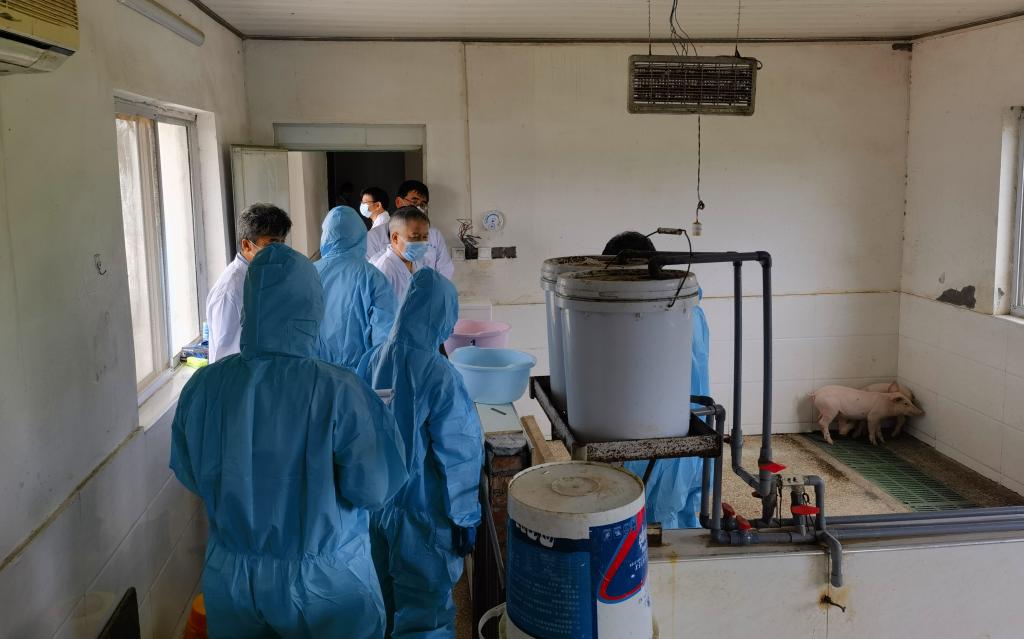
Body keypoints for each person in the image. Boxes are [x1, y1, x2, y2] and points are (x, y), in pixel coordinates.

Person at [170, 243, 408, 639]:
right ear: (313, 307)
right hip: (325, 583)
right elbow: (374, 488)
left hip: (234, 580)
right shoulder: (340, 391)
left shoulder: (203, 388)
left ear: (250, 305)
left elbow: (192, 475)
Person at [357, 268, 484, 638]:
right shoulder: (440, 374)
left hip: (375, 511)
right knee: (424, 613)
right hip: (422, 515)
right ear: (444, 316)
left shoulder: (372, 360)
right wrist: (465, 515)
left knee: (382, 602)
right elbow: (459, 453)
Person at [604, 234, 711, 529]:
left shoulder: (660, 315)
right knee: (679, 510)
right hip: (689, 423)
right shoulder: (690, 308)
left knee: (654, 512)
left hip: (663, 426)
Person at [205, 203, 291, 362]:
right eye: (271, 244)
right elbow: (226, 358)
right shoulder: (230, 291)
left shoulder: (263, 273)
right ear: (246, 245)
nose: (278, 251)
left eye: (282, 243)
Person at [316, 206, 398, 370]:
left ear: (326, 235)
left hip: (314, 371)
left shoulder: (309, 272)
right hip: (359, 374)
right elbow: (385, 335)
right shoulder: (373, 277)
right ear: (360, 235)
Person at [366, 180, 454, 278]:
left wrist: (433, 286)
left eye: (422, 205)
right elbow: (369, 273)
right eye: (414, 202)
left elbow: (445, 269)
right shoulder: (374, 236)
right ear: (398, 202)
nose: (418, 208)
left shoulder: (434, 234)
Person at [371, 206, 432, 303]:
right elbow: (381, 309)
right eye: (415, 237)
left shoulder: (418, 262)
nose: (422, 242)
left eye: (425, 237)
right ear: (395, 238)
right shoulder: (384, 269)